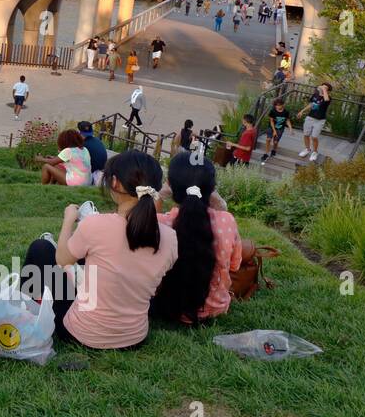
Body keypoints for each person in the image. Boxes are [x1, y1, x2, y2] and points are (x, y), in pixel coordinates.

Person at [19, 150, 177, 349]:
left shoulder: (95, 225)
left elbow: (62, 260)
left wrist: (68, 219)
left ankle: (24, 309)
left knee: (41, 248)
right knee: (90, 260)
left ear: (115, 183)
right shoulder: (170, 237)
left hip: (81, 334)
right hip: (134, 338)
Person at [152, 152, 242, 325]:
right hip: (215, 308)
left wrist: (158, 196)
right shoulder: (227, 221)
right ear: (212, 188)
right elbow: (234, 265)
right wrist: (222, 206)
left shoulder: (159, 223)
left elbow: (145, 219)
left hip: (166, 306)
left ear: (170, 186)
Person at [297, 82, 332, 163]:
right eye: (323, 86)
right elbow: (311, 104)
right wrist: (302, 111)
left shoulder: (328, 97)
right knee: (306, 134)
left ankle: (315, 152)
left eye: (326, 88)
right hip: (310, 118)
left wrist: (324, 89)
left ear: (328, 91)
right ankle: (307, 149)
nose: (323, 88)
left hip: (320, 120)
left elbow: (326, 99)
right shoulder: (315, 95)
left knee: (314, 137)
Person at [261, 98, 291, 164]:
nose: (277, 106)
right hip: (271, 127)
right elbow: (271, 121)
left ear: (283, 105)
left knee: (275, 142)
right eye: (276, 105)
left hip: (280, 128)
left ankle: (274, 150)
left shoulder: (286, 112)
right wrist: (274, 131)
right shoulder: (273, 111)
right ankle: (266, 153)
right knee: (268, 139)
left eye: (279, 105)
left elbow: (287, 120)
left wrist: (290, 128)